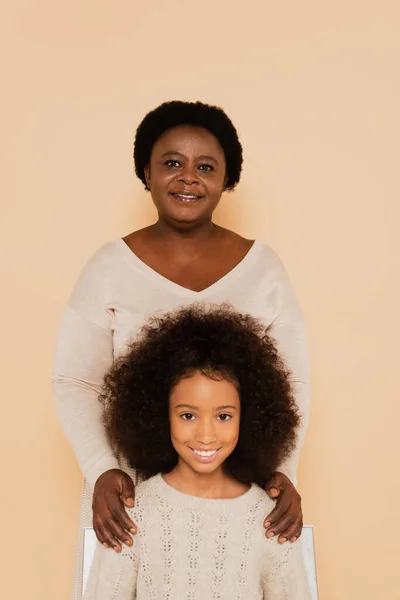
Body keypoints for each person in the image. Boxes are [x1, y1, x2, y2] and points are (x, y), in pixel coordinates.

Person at [53, 100, 310, 600]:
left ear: (227, 179)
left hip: (235, 484)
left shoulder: (265, 269)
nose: (187, 178)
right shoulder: (108, 266)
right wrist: (103, 469)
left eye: (206, 167)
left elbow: (294, 381)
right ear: (145, 172)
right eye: (171, 163)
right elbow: (75, 380)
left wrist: (286, 473)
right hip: (125, 490)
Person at [84, 305, 311, 599]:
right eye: (188, 415)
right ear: (159, 415)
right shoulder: (131, 516)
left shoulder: (271, 519)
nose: (206, 436)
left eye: (224, 416)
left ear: (251, 417)